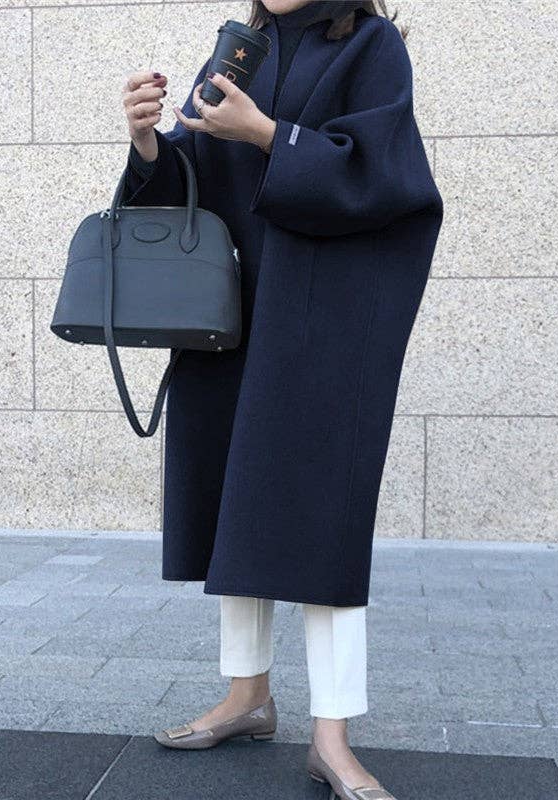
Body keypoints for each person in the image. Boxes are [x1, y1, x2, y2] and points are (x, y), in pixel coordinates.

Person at [120, 1, 443, 797]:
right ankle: (247, 697)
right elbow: (195, 180)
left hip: (326, 324)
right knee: (238, 501)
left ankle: (332, 736)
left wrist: (268, 135)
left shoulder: (371, 46)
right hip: (234, 315)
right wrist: (149, 142)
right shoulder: (242, 48)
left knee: (323, 520)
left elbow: (385, 179)